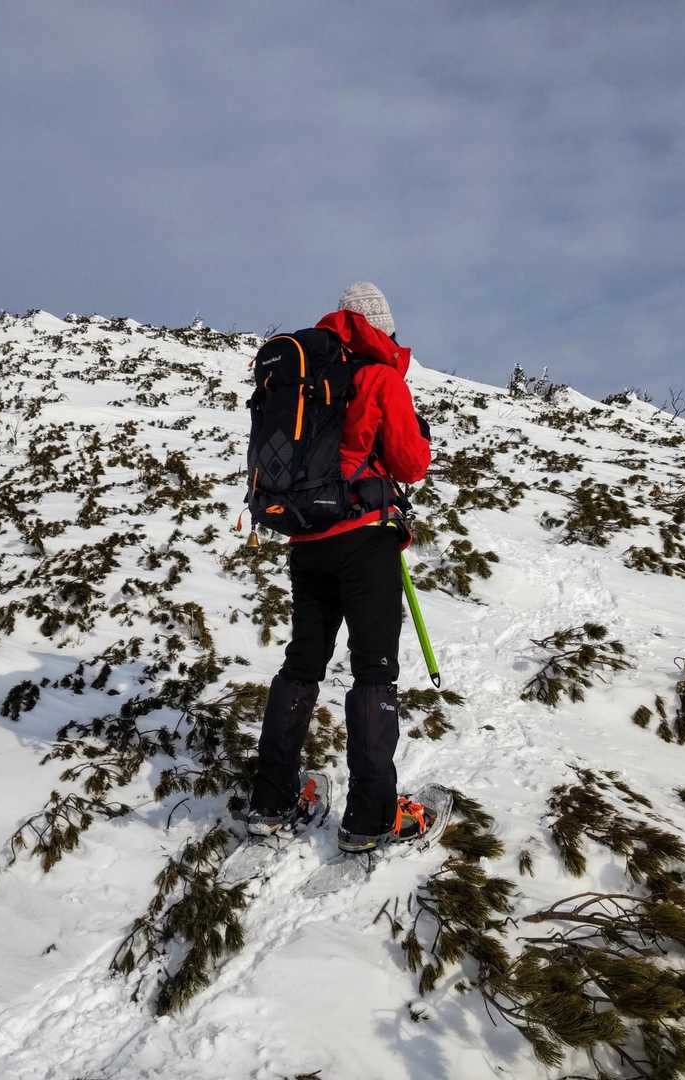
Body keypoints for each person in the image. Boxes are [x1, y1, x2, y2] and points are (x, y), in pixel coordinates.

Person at [245, 282, 434, 852]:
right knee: (374, 672)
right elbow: (410, 464)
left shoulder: (307, 376)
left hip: (307, 537)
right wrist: (417, 434)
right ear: (381, 326)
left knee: (302, 665)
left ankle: (272, 801)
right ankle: (371, 818)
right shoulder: (379, 376)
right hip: (365, 541)